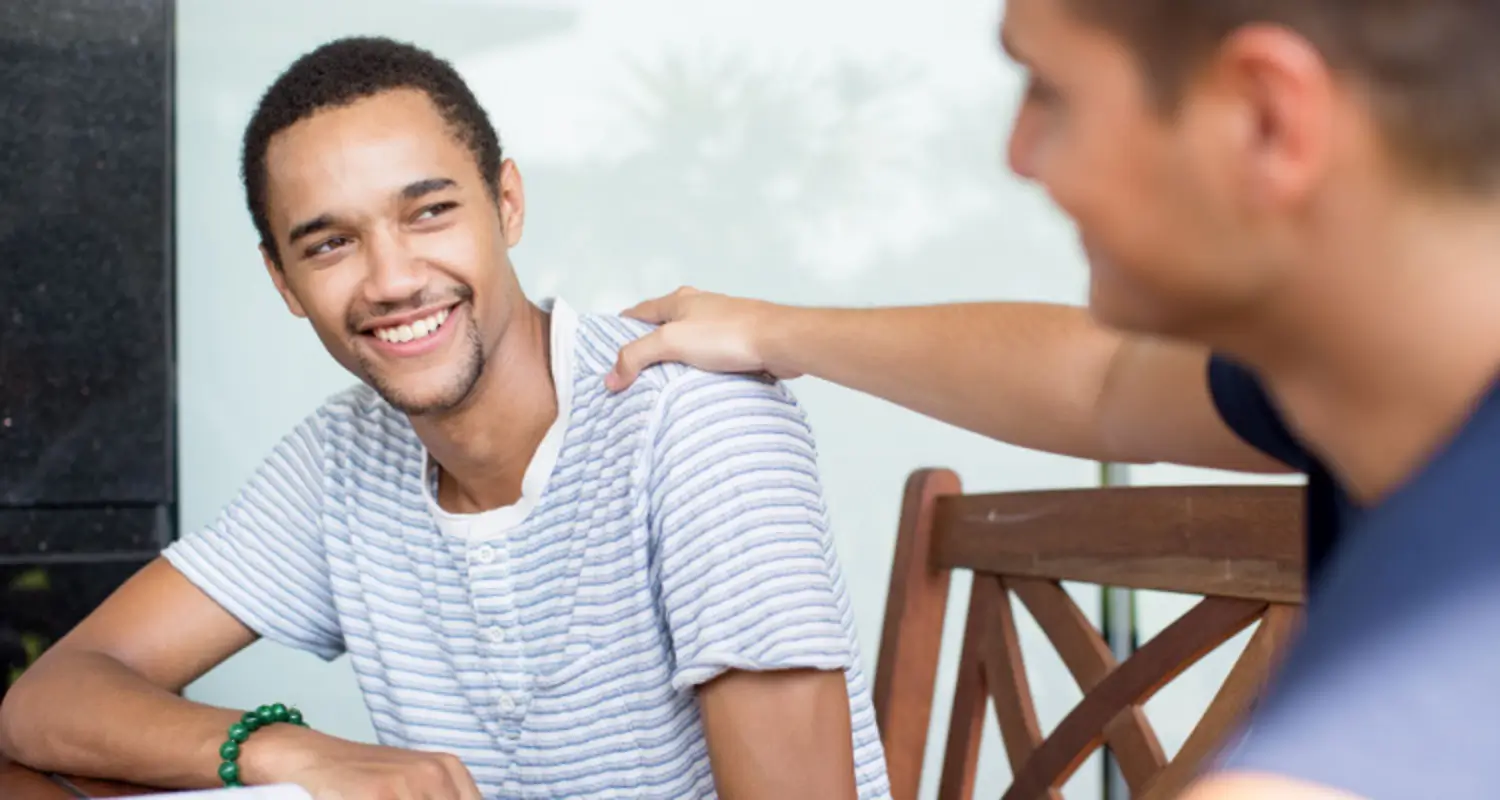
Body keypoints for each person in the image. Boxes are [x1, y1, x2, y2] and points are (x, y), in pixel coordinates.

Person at [606, 1, 1500, 798]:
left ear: (1265, 118)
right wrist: (773, 331)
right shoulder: (1356, 372)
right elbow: (1098, 382)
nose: (1018, 154)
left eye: (1049, 92)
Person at [0, 37, 891, 800]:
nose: (391, 279)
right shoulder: (341, 459)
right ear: (283, 282)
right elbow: (49, 700)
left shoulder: (693, 419)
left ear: (506, 204)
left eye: (429, 212)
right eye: (331, 243)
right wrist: (293, 751)